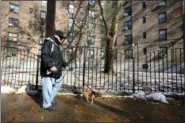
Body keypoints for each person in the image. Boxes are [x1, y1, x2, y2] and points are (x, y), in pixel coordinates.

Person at [40, 30, 68, 111]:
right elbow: (44, 55)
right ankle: (46, 105)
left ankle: (49, 100)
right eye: (62, 38)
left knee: (57, 85)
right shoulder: (49, 42)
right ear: (58, 36)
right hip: (48, 71)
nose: (63, 40)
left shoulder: (56, 45)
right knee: (47, 88)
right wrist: (50, 65)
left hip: (57, 71)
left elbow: (59, 59)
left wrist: (66, 64)